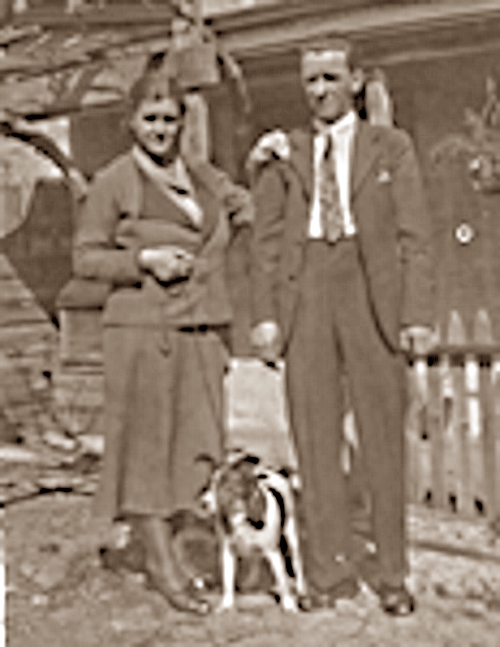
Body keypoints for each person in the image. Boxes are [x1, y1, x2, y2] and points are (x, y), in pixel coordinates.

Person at [249, 39, 434, 615]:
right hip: (305, 294)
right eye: (311, 80)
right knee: (314, 438)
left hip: (369, 293)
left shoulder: (390, 147)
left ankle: (392, 573)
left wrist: (417, 315)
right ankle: (330, 572)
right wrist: (265, 316)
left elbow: (415, 236)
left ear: (355, 81)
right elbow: (265, 242)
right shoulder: (284, 151)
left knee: (381, 440)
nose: (320, 90)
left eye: (331, 77)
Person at [72, 54, 252, 615]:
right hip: (142, 334)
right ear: (131, 121)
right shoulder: (113, 182)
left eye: (170, 119)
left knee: (195, 447)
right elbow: (85, 259)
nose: (161, 129)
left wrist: (270, 159)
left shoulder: (202, 175)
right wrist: (142, 260)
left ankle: (175, 548)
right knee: (147, 451)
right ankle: (162, 566)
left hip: (199, 328)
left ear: (182, 122)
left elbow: (243, 207)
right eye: (150, 119)